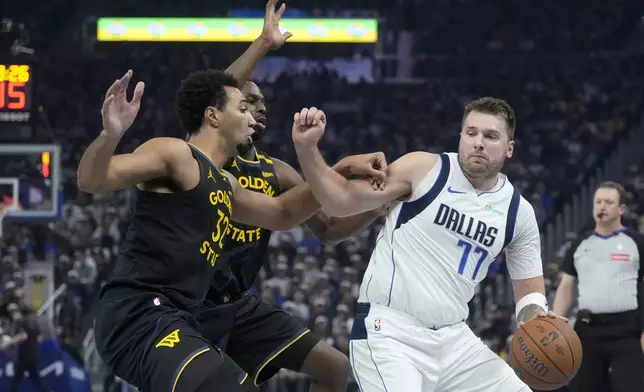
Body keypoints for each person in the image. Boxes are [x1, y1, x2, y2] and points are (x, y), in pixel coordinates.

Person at [77, 67, 385, 392]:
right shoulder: (176, 155)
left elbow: (282, 212)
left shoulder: (227, 183)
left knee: (325, 370)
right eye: (241, 107)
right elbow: (92, 180)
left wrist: (344, 167)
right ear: (213, 116)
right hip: (137, 313)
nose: (252, 115)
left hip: (182, 315)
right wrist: (109, 136)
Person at [291, 97, 565, 391]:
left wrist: (535, 316)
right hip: (391, 333)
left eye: (490, 136)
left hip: (454, 341)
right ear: (460, 136)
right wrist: (307, 150)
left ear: (509, 148)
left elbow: (530, 296)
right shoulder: (425, 168)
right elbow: (339, 202)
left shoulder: (518, 212)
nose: (478, 143)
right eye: (471, 133)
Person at [194, 16, 387, 388]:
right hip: (192, 305)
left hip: (238, 303)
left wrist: (377, 208)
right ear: (222, 111)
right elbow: (214, 92)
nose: (260, 107)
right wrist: (263, 44)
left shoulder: (279, 172)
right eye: (249, 100)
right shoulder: (208, 155)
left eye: (263, 102)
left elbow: (329, 230)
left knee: (334, 368)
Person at [553, 181, 644, 392]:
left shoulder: (637, 243)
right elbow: (566, 285)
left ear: (621, 209)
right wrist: (556, 323)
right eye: (598, 202)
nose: (602, 206)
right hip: (587, 330)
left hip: (627, 331)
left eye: (609, 202)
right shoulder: (580, 244)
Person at [9, 307, 53, 392]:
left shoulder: (23, 324)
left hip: (24, 356)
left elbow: (23, 337)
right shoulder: (36, 325)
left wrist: (11, 341)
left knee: (17, 378)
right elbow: (39, 339)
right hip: (33, 355)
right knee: (36, 378)